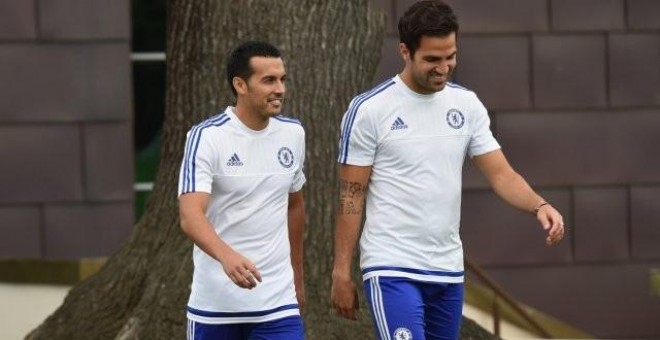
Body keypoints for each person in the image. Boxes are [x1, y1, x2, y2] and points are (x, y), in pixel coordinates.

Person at [330, 1, 565, 339]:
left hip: (447, 270)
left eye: (450, 56)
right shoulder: (369, 109)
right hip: (391, 266)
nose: (444, 67)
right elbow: (351, 195)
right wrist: (341, 271)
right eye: (432, 59)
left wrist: (539, 205)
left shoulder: (466, 105)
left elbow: (502, 174)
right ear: (405, 52)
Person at [178, 41, 306, 340]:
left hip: (278, 304)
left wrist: (297, 277)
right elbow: (189, 215)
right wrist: (227, 257)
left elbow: (295, 206)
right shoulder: (207, 137)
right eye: (269, 80)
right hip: (216, 306)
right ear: (240, 85)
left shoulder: (293, 134)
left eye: (282, 79)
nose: (280, 89)